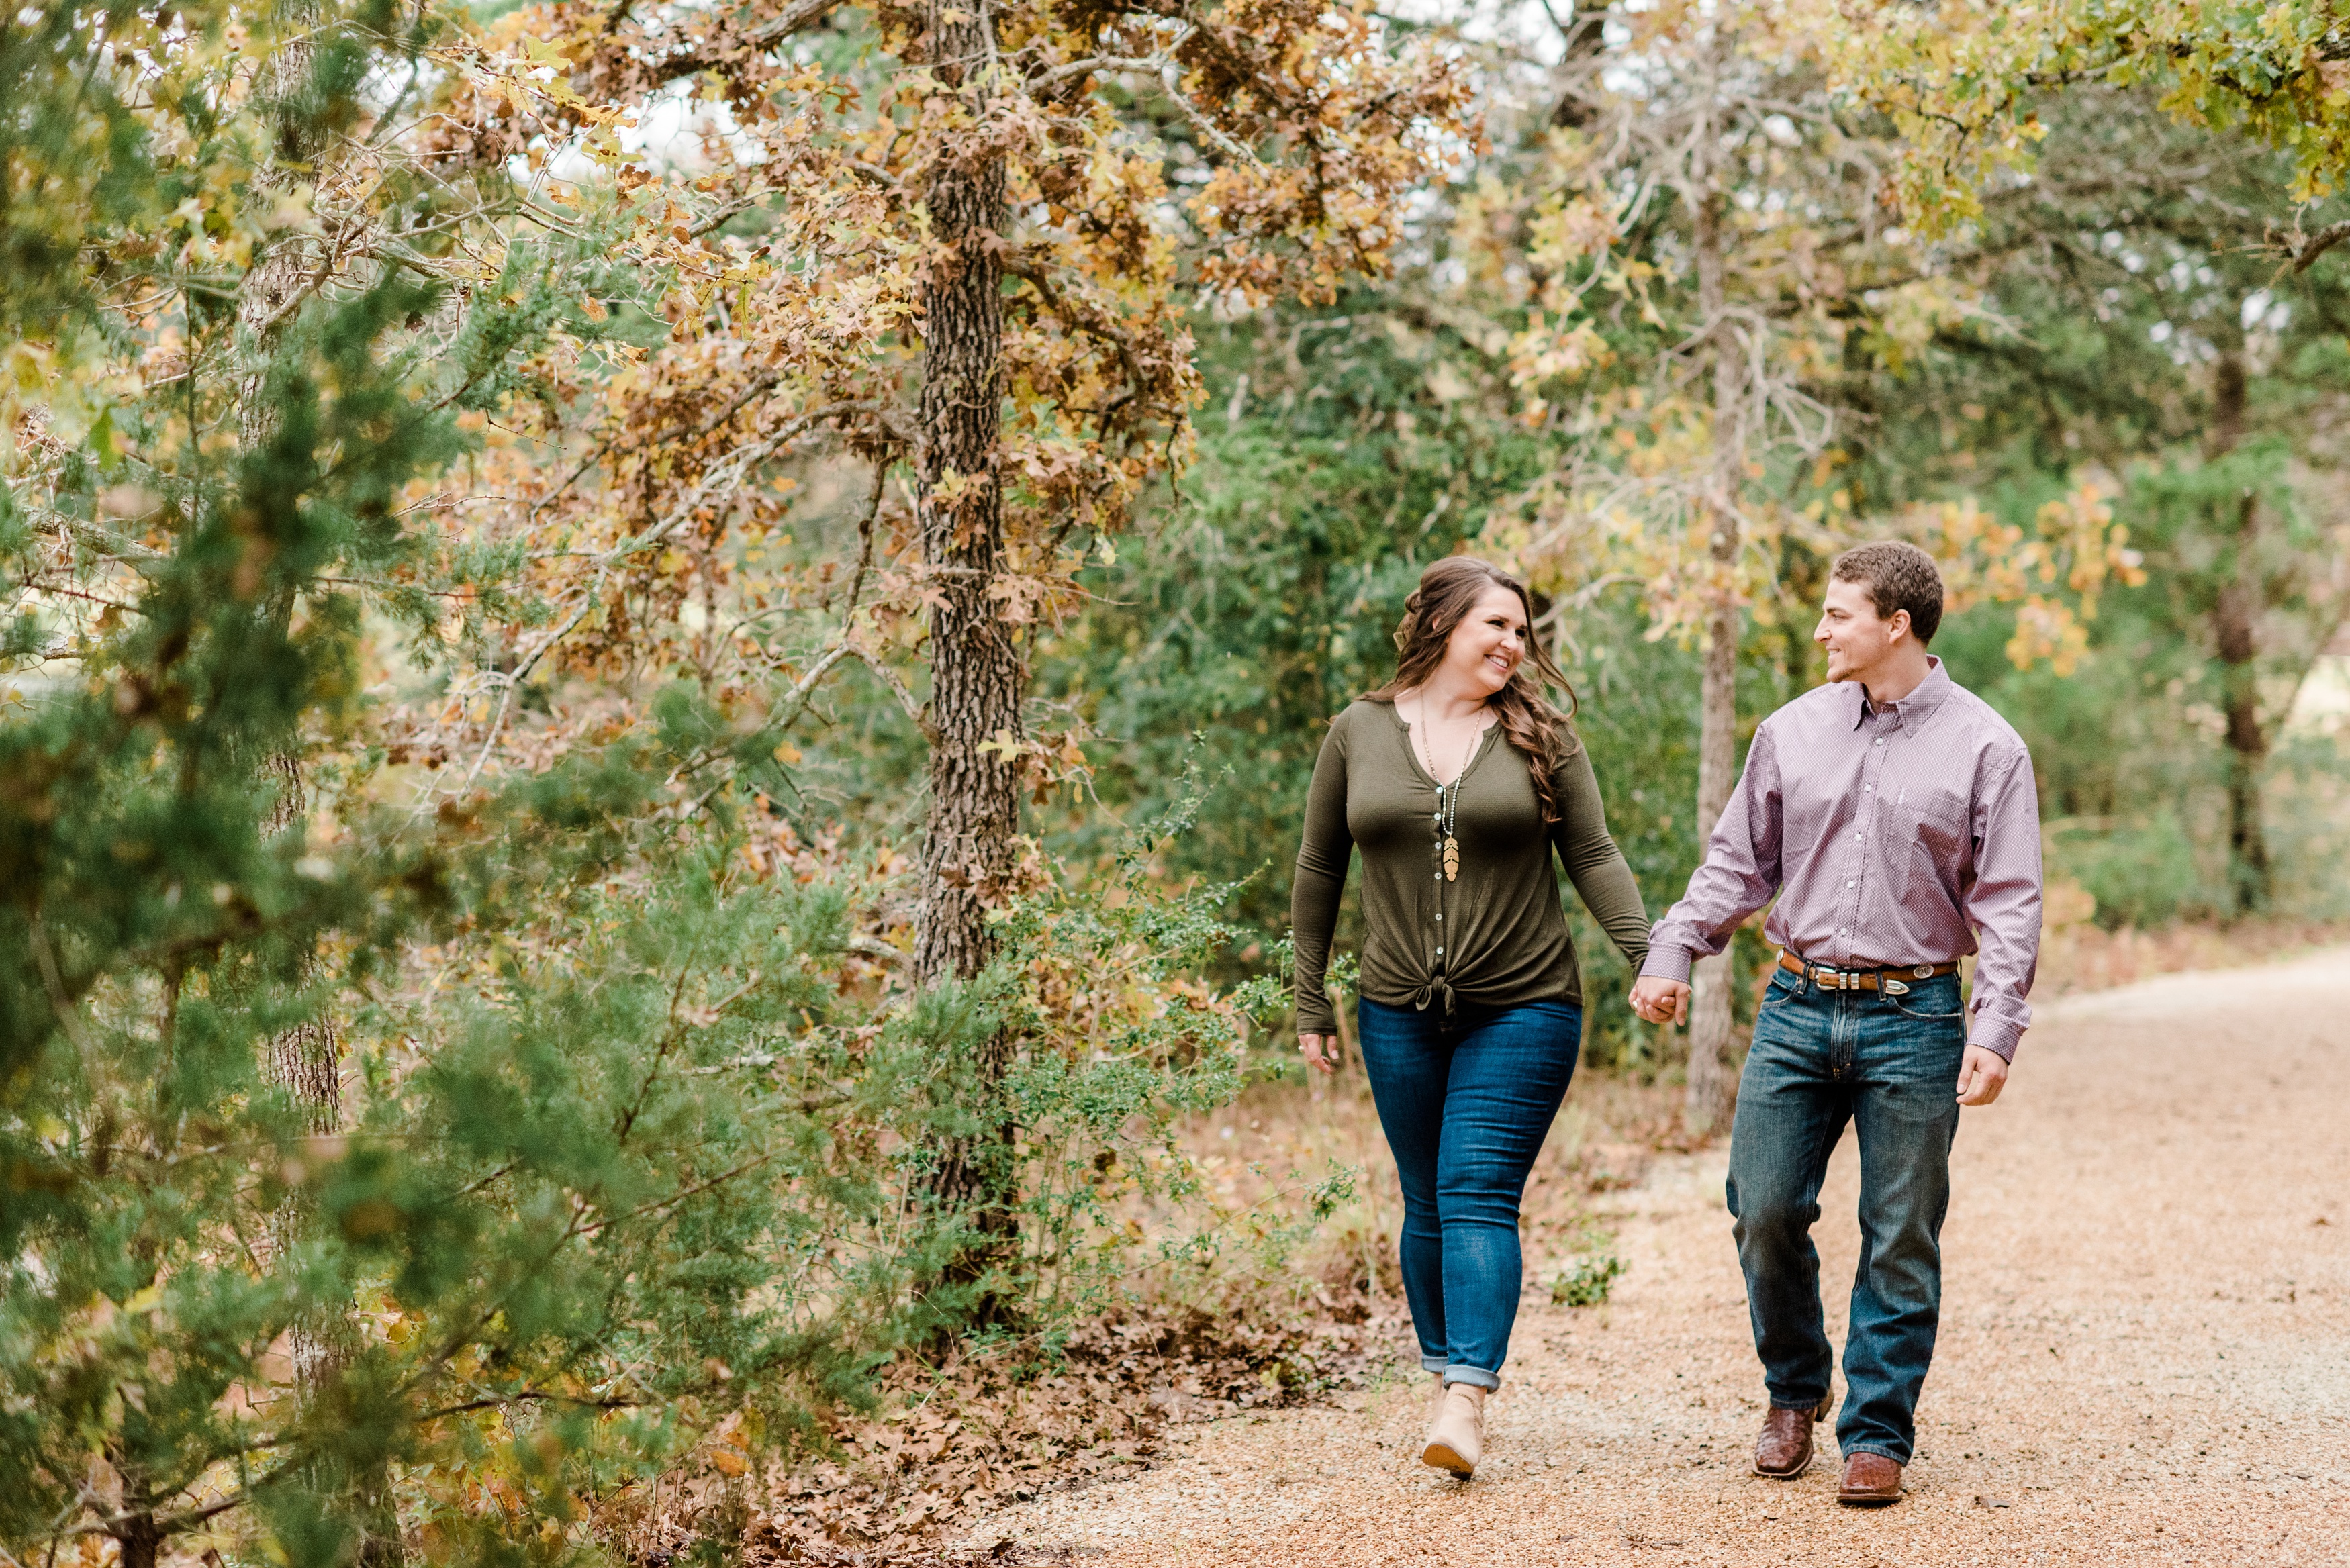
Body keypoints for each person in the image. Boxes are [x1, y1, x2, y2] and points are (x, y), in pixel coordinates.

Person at [1630, 542, 2042, 1508]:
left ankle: (1878, 1434)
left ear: (1895, 625)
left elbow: (2012, 901)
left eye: (1836, 614)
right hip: (1797, 1004)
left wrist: (1996, 1025)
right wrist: (1674, 945)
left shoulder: (1990, 747)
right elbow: (1737, 864)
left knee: (1901, 1231)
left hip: (1920, 1014)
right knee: (1763, 1208)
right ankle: (1795, 1391)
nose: (1820, 630)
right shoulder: (1791, 731)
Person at [1292, 556, 1652, 1479]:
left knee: (1476, 1191)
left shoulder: (1542, 737)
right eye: (1497, 625)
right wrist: (1309, 999)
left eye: (1523, 632)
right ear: (1444, 624)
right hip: (1396, 1008)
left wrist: (1651, 957)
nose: (1513, 644)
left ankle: (1466, 1397)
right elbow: (1319, 868)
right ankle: (1449, 1373)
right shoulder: (1357, 732)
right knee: (1425, 1199)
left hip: (1526, 1003)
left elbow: (1595, 854)